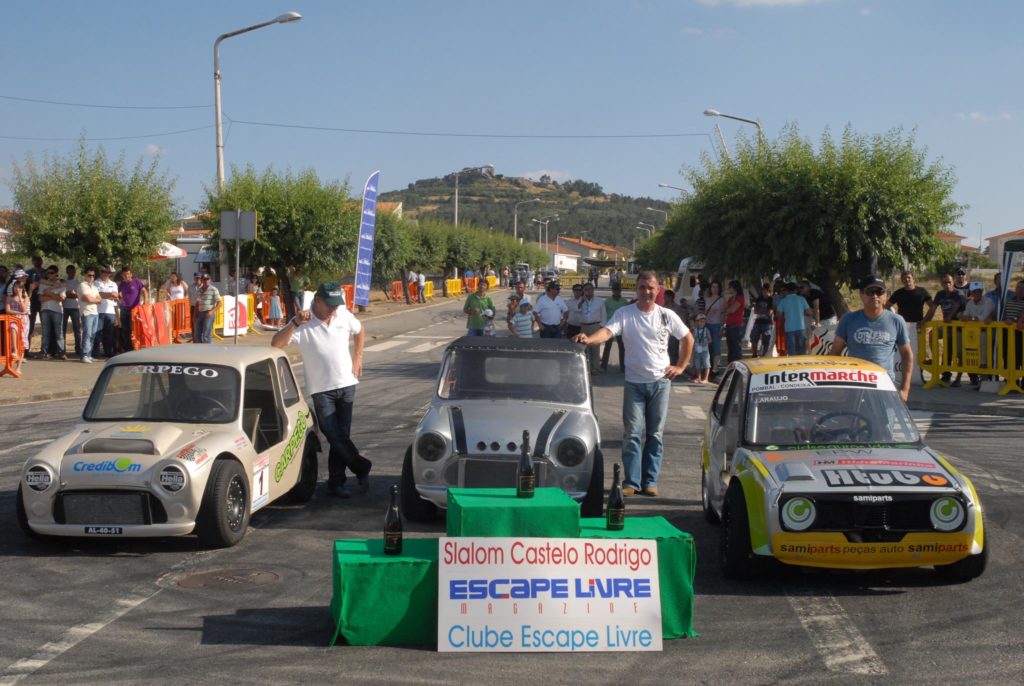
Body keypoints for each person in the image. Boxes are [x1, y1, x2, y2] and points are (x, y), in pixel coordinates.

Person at [574, 272, 692, 497]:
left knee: (655, 434)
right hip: (634, 384)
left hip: (660, 383)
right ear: (636, 289)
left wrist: (681, 366)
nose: (646, 292)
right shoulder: (624, 314)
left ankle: (650, 481)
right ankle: (631, 482)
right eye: (641, 287)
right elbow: (607, 332)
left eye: (650, 288)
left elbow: (688, 338)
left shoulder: (667, 315)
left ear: (658, 290)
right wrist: (589, 340)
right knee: (632, 434)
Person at [272, 282, 371, 498]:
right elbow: (276, 344)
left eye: (337, 305)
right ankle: (361, 466)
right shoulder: (303, 323)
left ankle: (336, 483)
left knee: (341, 436)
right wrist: (295, 323)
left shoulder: (343, 315)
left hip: (346, 383)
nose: (334, 309)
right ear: (317, 301)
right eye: (330, 305)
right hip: (321, 389)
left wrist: (358, 356)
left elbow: (360, 330)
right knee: (333, 434)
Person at [832, 275, 913, 402]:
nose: (875, 296)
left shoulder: (896, 321)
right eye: (870, 292)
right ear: (861, 295)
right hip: (855, 385)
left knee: (885, 422)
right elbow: (835, 354)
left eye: (879, 292)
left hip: (884, 385)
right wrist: (838, 388)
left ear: (885, 295)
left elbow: (907, 355)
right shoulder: (848, 320)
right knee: (855, 421)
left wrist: (905, 389)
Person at [923, 273, 966, 384]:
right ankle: (938, 363)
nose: (947, 284)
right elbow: (933, 308)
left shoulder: (958, 294)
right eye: (945, 282)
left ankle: (958, 378)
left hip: (959, 327)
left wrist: (949, 317)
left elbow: (956, 306)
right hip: (947, 326)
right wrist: (924, 321)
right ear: (941, 284)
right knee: (934, 335)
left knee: (959, 353)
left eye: (949, 282)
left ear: (953, 282)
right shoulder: (940, 294)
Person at [959, 281, 995, 386]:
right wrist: (970, 318)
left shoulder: (988, 301)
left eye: (978, 291)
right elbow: (964, 317)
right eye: (973, 292)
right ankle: (976, 378)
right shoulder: (970, 303)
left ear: (982, 291)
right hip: (972, 332)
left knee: (983, 339)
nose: (976, 293)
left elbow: (982, 319)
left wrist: (971, 318)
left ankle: (983, 371)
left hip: (987, 331)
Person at [777, 282, 815, 356]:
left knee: (791, 351)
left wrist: (785, 316)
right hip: (800, 327)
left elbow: (778, 315)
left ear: (787, 291)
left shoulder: (783, 301)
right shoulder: (801, 299)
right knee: (802, 351)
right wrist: (801, 312)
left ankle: (792, 365)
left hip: (788, 328)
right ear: (795, 290)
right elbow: (809, 312)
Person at [38, 265, 67, 359]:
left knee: (59, 333)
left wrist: (49, 292)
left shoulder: (61, 284)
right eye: (48, 273)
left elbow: (61, 298)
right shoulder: (43, 284)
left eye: (52, 273)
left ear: (56, 274)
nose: (49, 274)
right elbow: (40, 298)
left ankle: (61, 352)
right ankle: (44, 352)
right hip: (45, 310)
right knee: (45, 333)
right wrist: (54, 295)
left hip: (57, 311)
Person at [577, 282, 605, 373]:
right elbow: (577, 310)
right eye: (585, 290)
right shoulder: (581, 301)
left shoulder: (599, 301)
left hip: (595, 325)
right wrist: (582, 301)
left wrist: (602, 326)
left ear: (593, 290)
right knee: (585, 348)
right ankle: (587, 368)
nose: (588, 291)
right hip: (584, 326)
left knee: (595, 347)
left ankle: (596, 368)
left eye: (589, 289)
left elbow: (603, 314)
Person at [117, 267, 147, 353]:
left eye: (128, 274)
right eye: (125, 274)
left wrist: (145, 303)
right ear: (122, 275)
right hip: (124, 309)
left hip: (134, 310)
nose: (127, 276)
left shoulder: (136, 281)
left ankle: (135, 346)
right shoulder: (121, 285)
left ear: (131, 274)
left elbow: (144, 291)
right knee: (125, 330)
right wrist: (119, 299)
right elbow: (119, 296)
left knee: (133, 329)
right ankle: (127, 348)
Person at [601, 283, 628, 372]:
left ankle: (623, 367)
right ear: (612, 291)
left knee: (622, 347)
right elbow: (603, 313)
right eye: (615, 290)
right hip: (610, 326)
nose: (616, 292)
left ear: (620, 291)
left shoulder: (624, 302)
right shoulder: (607, 301)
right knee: (607, 347)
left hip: (621, 327)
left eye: (618, 290)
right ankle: (603, 366)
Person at [77, 267, 102, 363]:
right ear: (85, 276)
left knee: (93, 335)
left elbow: (100, 299)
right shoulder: (82, 285)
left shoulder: (95, 287)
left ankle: (89, 354)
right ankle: (84, 355)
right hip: (87, 312)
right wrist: (96, 300)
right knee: (87, 334)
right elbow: (88, 299)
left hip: (95, 312)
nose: (91, 277)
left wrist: (95, 299)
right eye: (89, 275)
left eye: (93, 275)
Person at [702, 280, 726, 375]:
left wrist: (722, 327)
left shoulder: (721, 299)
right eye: (713, 287)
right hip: (707, 325)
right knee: (707, 347)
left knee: (716, 347)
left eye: (716, 287)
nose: (715, 289)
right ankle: (708, 366)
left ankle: (715, 368)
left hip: (717, 325)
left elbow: (723, 314)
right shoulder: (707, 299)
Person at [94, 267, 119, 357]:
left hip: (110, 312)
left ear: (110, 273)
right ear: (100, 272)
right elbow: (98, 295)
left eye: (108, 272)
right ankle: (95, 354)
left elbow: (116, 296)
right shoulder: (96, 282)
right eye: (104, 271)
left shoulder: (113, 284)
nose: (106, 273)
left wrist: (106, 295)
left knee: (109, 334)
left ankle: (108, 353)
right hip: (98, 311)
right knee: (97, 334)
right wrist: (110, 295)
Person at [193, 273, 221, 344]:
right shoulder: (199, 290)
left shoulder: (214, 289)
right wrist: (195, 315)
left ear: (210, 280)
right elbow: (197, 303)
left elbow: (220, 303)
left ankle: (207, 351)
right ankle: (199, 351)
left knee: (206, 335)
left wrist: (211, 312)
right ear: (201, 280)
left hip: (208, 313)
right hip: (200, 313)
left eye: (207, 279)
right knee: (197, 334)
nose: (206, 281)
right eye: (204, 279)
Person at [62, 264, 82, 358]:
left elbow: (79, 295)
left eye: (73, 271)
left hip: (75, 307)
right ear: (67, 272)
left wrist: (69, 294)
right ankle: (62, 349)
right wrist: (69, 293)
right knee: (63, 329)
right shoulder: (64, 282)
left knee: (77, 329)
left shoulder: (78, 283)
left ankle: (78, 348)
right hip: (64, 307)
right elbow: (62, 294)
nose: (72, 273)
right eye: (70, 271)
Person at [724, 280, 746, 364]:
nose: (729, 289)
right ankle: (730, 366)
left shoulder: (740, 298)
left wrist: (726, 311)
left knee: (736, 349)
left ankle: (738, 368)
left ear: (735, 288)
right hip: (729, 325)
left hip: (736, 326)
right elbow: (726, 309)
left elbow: (732, 310)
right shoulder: (730, 298)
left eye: (730, 287)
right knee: (730, 349)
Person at [750, 283, 774, 358]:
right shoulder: (759, 299)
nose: (764, 292)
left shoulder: (771, 299)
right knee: (754, 337)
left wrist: (762, 310)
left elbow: (769, 312)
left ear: (769, 291)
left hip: (767, 322)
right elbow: (756, 311)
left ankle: (764, 355)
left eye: (766, 290)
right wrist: (764, 310)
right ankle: (754, 354)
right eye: (763, 290)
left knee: (766, 340)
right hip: (758, 321)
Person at [691, 313, 711, 383]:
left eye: (703, 321)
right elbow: (692, 339)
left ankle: (706, 378)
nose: (702, 323)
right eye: (700, 321)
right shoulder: (695, 330)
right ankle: (698, 377)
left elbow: (710, 340)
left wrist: (706, 342)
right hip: (697, 350)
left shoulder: (706, 330)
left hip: (705, 350)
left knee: (706, 363)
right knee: (698, 364)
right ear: (697, 322)